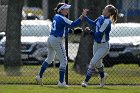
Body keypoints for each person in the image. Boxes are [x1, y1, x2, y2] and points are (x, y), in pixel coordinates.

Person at [36, 2, 87, 87]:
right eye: (66, 9)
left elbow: (62, 28)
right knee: (64, 61)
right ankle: (61, 82)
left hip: (50, 39)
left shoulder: (56, 16)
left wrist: (73, 31)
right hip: (56, 40)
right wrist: (82, 16)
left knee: (49, 59)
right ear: (61, 10)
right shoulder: (62, 18)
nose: (67, 10)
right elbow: (74, 24)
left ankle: (39, 76)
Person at [81, 5, 118, 87]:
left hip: (104, 46)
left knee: (93, 62)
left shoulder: (106, 22)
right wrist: (85, 17)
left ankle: (85, 82)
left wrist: (89, 31)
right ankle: (103, 77)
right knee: (98, 64)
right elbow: (93, 24)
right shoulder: (101, 17)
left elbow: (98, 35)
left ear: (108, 13)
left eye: (105, 9)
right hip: (96, 44)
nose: (103, 9)